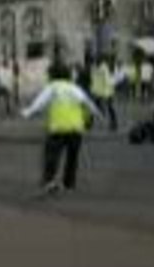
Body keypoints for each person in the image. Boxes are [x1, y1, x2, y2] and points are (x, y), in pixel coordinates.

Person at [22, 63, 104, 195]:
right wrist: (98, 115)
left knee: (52, 155)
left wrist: (27, 112)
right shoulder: (74, 88)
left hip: (58, 128)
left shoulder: (53, 87)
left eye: (48, 74)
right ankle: (69, 184)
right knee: (72, 157)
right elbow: (87, 103)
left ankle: (50, 181)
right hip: (76, 128)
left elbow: (40, 103)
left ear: (53, 75)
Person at [90, 57, 118, 131]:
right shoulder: (95, 68)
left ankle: (114, 123)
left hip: (106, 91)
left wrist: (106, 93)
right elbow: (94, 79)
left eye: (98, 60)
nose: (96, 61)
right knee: (95, 107)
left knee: (109, 107)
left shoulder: (103, 68)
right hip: (99, 91)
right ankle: (90, 122)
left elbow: (107, 80)